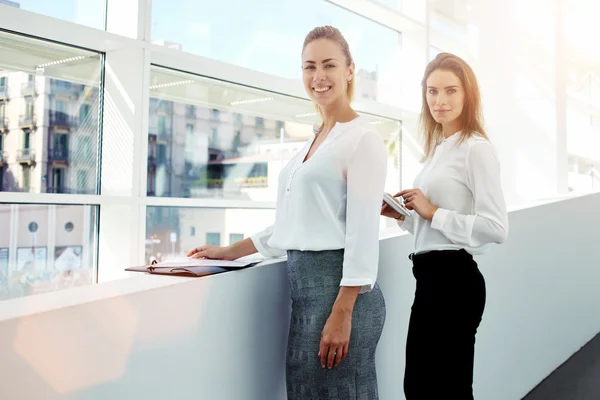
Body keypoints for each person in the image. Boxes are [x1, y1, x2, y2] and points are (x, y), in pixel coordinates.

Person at [187, 26, 387, 399]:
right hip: (307, 296)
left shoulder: (363, 138)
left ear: (349, 70)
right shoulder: (314, 140)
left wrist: (343, 312)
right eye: (309, 67)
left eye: (329, 65)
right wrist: (230, 251)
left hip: (341, 296)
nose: (318, 76)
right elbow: (294, 224)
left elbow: (363, 232)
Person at [381, 52, 509, 399]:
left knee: (445, 390)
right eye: (432, 91)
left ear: (468, 95)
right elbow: (432, 228)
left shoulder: (476, 149)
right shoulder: (438, 149)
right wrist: (404, 216)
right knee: (420, 388)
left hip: (454, 282)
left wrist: (432, 210)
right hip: (429, 280)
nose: (440, 100)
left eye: (451, 91)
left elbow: (496, 227)